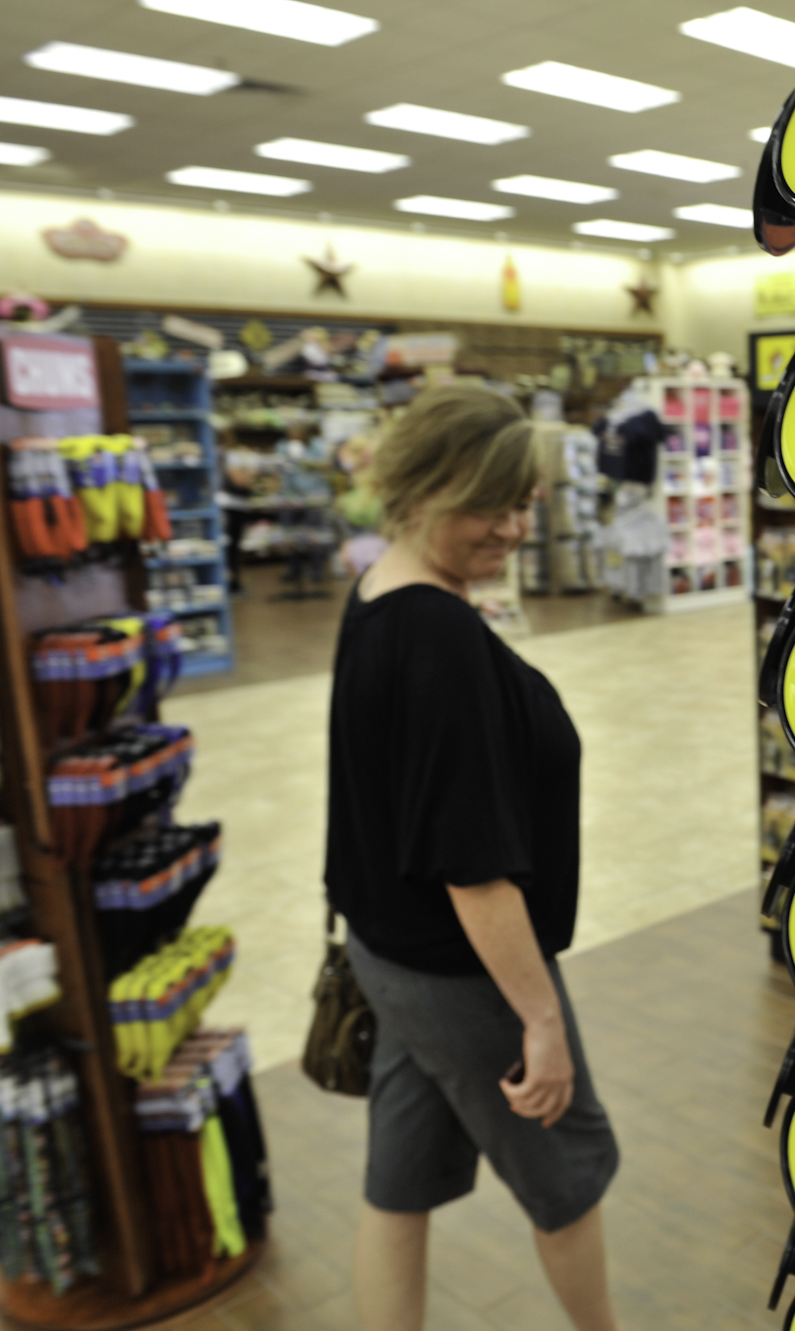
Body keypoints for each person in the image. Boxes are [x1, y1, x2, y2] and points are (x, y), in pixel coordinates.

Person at [324, 385, 620, 1331]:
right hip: (463, 968)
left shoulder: (380, 591)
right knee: (566, 1168)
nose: (512, 528)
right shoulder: (438, 635)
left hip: (391, 949)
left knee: (399, 1178)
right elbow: (474, 866)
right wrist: (539, 1018)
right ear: (418, 488)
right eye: (488, 505)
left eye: (525, 503)